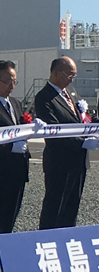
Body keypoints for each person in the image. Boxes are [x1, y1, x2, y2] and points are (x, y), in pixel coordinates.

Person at [0, 60, 42, 272]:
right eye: (7, 81)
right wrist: (9, 146)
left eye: (14, 80)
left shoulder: (15, 103)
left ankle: (3, 261)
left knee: (10, 216)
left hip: (17, 168)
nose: (11, 85)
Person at [34, 56, 99, 229]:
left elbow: (80, 121)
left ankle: (68, 241)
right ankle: (48, 241)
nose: (72, 79)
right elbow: (53, 131)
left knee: (71, 208)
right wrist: (81, 143)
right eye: (69, 75)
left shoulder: (69, 93)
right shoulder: (45, 97)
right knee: (55, 207)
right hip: (59, 162)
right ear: (55, 73)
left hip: (77, 162)